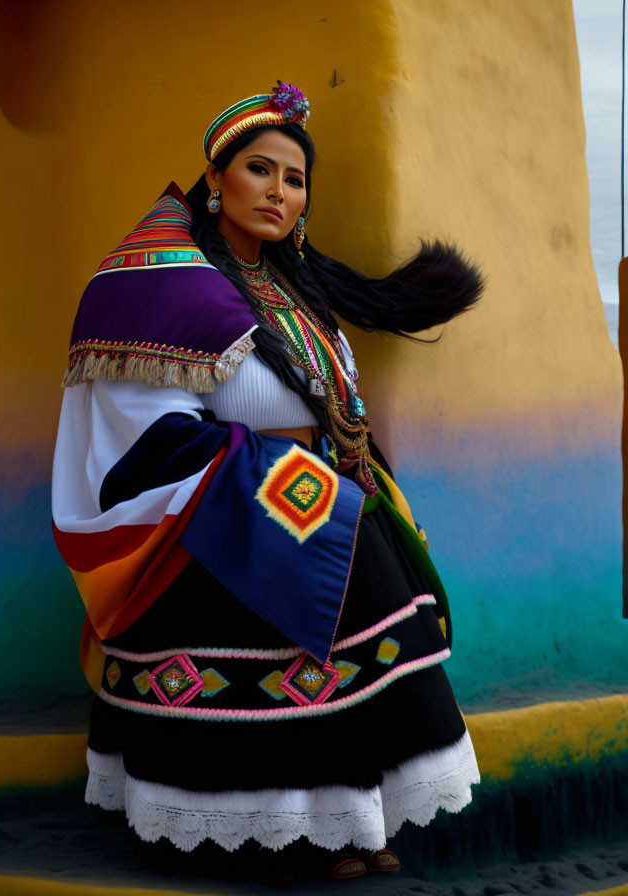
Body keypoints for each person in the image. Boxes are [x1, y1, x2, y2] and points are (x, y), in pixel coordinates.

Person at [52, 82, 484, 881]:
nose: (279, 192)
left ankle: (354, 821)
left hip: (315, 494)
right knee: (284, 646)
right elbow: (138, 425)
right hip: (221, 506)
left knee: (357, 649)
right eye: (261, 170)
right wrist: (260, 470)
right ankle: (271, 833)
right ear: (215, 180)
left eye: (294, 179)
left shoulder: (299, 292)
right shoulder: (160, 285)